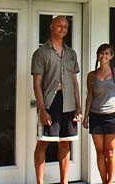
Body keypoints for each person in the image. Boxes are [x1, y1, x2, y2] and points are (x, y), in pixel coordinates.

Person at [32, 16, 82, 184]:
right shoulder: (41, 53)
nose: (63, 29)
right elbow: (37, 84)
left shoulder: (71, 53)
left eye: (66, 27)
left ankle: (64, 182)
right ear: (51, 27)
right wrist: (42, 109)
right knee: (43, 143)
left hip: (68, 102)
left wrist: (79, 107)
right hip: (50, 101)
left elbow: (75, 82)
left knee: (65, 143)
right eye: (60, 26)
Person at [84, 43, 115, 184]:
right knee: (100, 152)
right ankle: (104, 181)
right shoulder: (91, 76)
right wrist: (86, 116)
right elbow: (90, 96)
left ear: (111, 56)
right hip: (96, 116)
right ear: (98, 56)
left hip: (113, 116)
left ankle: (110, 182)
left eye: (107, 54)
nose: (104, 56)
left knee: (110, 152)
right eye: (101, 53)